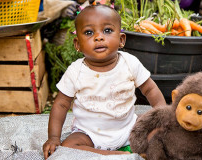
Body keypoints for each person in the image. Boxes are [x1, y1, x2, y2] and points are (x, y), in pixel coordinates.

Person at [42, 4, 167, 159]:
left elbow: (150, 89)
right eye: (89, 32)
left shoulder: (130, 63)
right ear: (78, 44)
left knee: (156, 131)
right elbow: (61, 104)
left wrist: (163, 116)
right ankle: (117, 155)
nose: (99, 37)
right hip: (89, 134)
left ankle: (124, 152)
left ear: (121, 40)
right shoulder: (75, 71)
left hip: (127, 128)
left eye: (107, 30)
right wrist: (54, 137)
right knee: (69, 145)